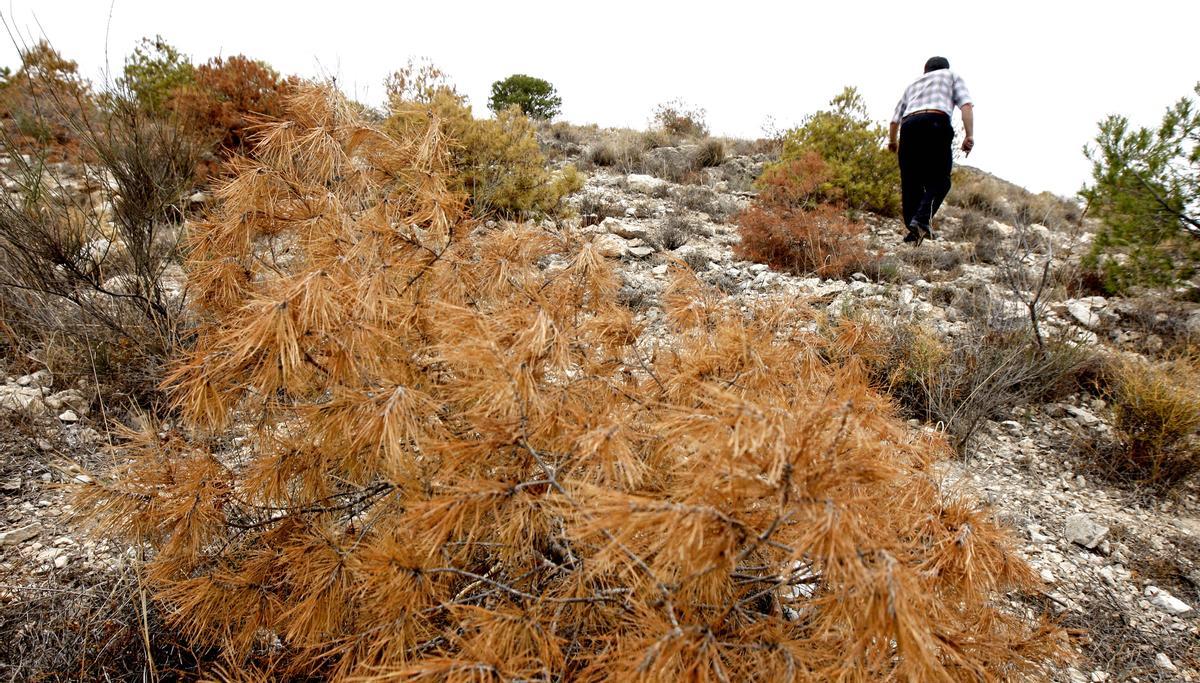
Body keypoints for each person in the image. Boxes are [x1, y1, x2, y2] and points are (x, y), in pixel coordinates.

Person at [887, 57, 974, 245]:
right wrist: (969, 135)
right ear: (945, 67)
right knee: (941, 180)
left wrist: (893, 141)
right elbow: (966, 105)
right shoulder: (951, 76)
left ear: (925, 69)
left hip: (909, 127)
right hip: (936, 121)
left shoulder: (913, 85)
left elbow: (894, 120)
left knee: (911, 182)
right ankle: (921, 220)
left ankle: (914, 233)